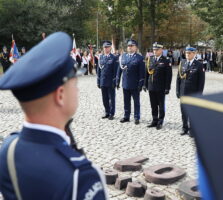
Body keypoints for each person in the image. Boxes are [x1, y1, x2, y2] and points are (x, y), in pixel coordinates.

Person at [0, 32, 107, 200]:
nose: (78, 90)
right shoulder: (82, 178)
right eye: (75, 83)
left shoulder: (8, 148)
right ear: (60, 95)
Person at [176, 46, 205, 137]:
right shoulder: (182, 63)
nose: (187, 54)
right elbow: (178, 79)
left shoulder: (199, 65)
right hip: (183, 92)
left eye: (189, 53)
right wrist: (177, 90)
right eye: (186, 53)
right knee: (183, 112)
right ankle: (185, 128)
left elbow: (201, 82)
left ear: (194, 54)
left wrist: (199, 94)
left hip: (193, 93)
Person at [143, 42, 172, 130]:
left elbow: (168, 76)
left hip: (161, 87)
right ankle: (154, 120)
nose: (155, 51)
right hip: (151, 86)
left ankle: (160, 121)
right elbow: (146, 74)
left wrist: (167, 87)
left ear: (161, 50)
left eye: (157, 50)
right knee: (153, 104)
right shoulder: (150, 59)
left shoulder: (166, 60)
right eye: (154, 50)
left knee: (161, 104)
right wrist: (145, 84)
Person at [116, 39, 145, 125]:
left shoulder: (139, 58)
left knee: (136, 102)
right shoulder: (123, 56)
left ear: (136, 47)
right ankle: (126, 116)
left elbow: (142, 72)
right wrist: (117, 81)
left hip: (135, 84)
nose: (130, 47)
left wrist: (141, 83)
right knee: (126, 101)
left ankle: (136, 117)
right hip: (125, 83)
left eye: (132, 46)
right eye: (128, 46)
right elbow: (119, 70)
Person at [97, 41, 119, 120]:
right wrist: (98, 81)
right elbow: (99, 71)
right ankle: (107, 112)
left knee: (111, 98)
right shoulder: (101, 57)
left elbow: (116, 71)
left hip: (110, 81)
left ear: (110, 48)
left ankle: (111, 113)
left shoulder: (114, 58)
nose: (106, 49)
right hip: (103, 81)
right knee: (104, 98)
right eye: (104, 47)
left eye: (107, 47)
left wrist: (115, 81)